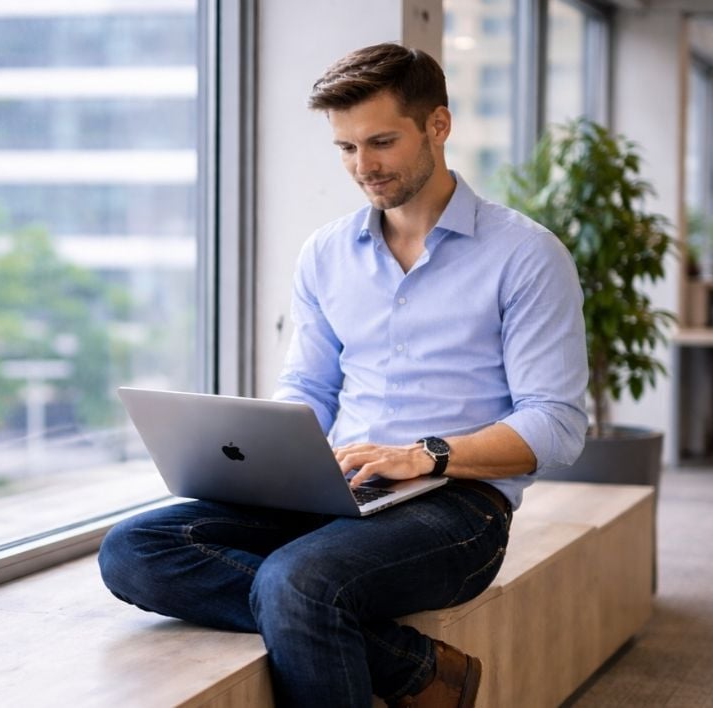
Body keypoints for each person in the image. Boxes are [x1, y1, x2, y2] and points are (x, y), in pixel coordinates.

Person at [99, 42, 587, 707]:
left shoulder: (526, 256)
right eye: (347, 148)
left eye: (381, 142)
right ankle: (412, 668)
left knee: (295, 582)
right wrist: (274, 454)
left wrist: (424, 456)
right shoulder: (326, 254)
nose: (364, 166)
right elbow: (310, 387)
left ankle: (370, 647)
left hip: (460, 506)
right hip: (344, 487)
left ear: (438, 127)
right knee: (134, 548)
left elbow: (556, 425)